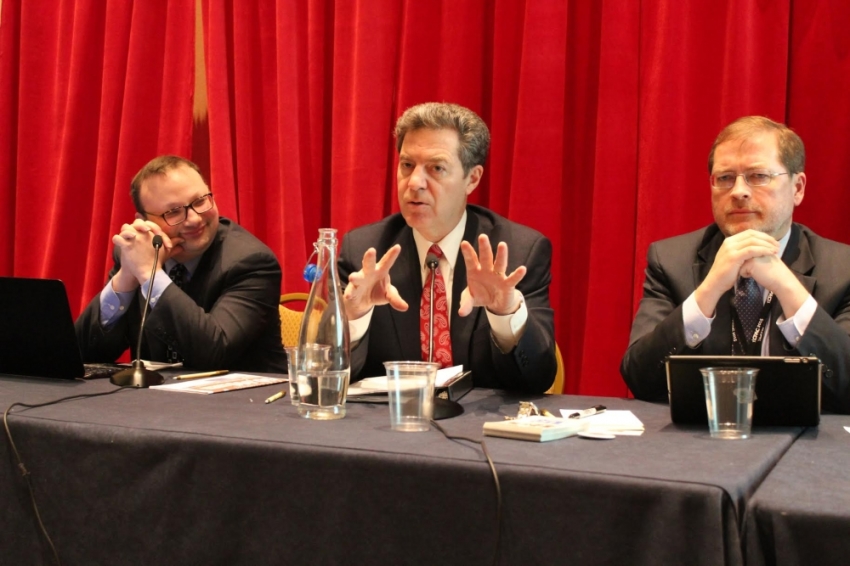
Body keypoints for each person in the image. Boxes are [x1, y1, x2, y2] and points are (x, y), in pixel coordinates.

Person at [621, 116, 850, 413]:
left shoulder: (842, 269)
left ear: (798, 188)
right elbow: (639, 379)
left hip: (805, 445)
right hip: (701, 443)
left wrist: (788, 288)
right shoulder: (671, 260)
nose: (739, 191)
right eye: (726, 178)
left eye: (758, 176)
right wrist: (709, 290)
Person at [338, 102, 556, 393]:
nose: (414, 182)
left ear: (472, 178)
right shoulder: (366, 252)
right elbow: (322, 377)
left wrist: (506, 314)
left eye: (436, 168)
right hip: (387, 428)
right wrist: (352, 320)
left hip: (479, 430)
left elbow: (538, 379)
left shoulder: (517, 253)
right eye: (407, 165)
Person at [76, 155, 286, 373]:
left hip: (246, 402)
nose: (194, 219)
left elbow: (214, 353)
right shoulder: (135, 254)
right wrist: (126, 277)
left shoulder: (251, 262)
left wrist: (151, 275)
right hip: (157, 400)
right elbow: (83, 354)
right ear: (144, 221)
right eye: (173, 212)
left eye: (200, 201)